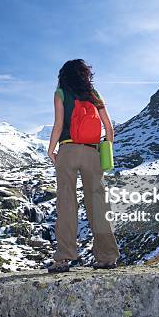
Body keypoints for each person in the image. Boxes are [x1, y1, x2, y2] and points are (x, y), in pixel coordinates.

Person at [46, 59, 120, 273]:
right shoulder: (93, 93)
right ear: (85, 74)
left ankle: (63, 259)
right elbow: (108, 127)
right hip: (91, 152)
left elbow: (58, 125)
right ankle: (107, 257)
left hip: (68, 151)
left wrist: (51, 150)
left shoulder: (60, 92)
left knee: (67, 204)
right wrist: (104, 150)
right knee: (98, 204)